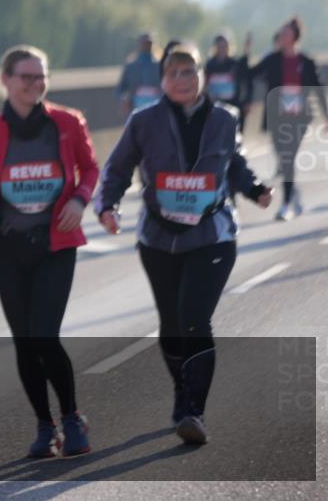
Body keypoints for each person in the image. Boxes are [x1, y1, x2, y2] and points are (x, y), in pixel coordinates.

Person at [96, 44, 272, 445]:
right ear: (162, 79)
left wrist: (254, 188)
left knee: (194, 318)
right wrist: (108, 205)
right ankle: (183, 392)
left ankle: (194, 410)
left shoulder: (225, 118)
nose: (182, 80)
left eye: (189, 72)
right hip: (158, 238)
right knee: (171, 326)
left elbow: (236, 164)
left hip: (212, 235)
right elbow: (118, 167)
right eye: (174, 73)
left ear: (202, 76)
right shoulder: (144, 121)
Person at [0, 45, 97, 458]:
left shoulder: (66, 123)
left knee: (43, 334)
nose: (36, 84)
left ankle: (72, 417)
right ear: (5, 81)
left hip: (55, 244)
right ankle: (45, 426)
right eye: (27, 77)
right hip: (8, 249)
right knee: (24, 342)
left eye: (42, 77)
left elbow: (90, 168)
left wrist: (80, 199)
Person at [247, 17, 328, 221]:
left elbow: (318, 90)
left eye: (285, 33)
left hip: (299, 119)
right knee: (284, 161)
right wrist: (246, 53)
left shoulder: (306, 62)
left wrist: (327, 117)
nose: (281, 36)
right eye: (281, 33)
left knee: (288, 158)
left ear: (294, 38)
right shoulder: (272, 59)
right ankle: (293, 193)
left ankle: (285, 205)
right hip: (277, 117)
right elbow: (250, 74)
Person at [204, 32, 252, 132]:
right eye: (219, 46)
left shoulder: (234, 63)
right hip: (215, 105)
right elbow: (205, 83)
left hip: (233, 103)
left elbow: (245, 70)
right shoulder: (210, 64)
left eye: (224, 45)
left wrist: (247, 48)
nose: (222, 48)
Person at [116, 32, 163, 119]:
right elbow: (121, 89)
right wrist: (124, 99)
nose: (147, 46)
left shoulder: (159, 66)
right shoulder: (131, 66)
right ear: (139, 44)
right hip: (135, 107)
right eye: (144, 43)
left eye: (149, 43)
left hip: (157, 108)